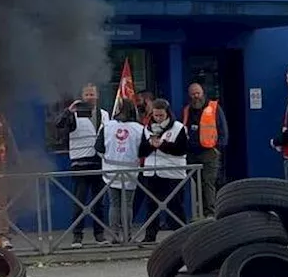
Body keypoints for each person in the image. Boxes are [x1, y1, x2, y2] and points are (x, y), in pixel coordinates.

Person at [54, 83, 109, 247]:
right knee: (80, 202)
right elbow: (58, 124)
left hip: (99, 162)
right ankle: (77, 237)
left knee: (99, 202)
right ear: (82, 97)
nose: (90, 97)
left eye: (92, 94)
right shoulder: (74, 114)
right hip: (80, 163)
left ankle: (100, 235)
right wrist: (69, 110)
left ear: (97, 96)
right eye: (87, 95)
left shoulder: (105, 114)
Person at [138, 99, 190, 243]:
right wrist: (150, 144)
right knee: (151, 206)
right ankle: (150, 236)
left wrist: (162, 145)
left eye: (161, 115)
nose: (158, 118)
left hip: (173, 172)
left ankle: (181, 236)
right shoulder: (147, 128)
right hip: (152, 172)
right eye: (155, 115)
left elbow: (182, 150)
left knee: (176, 205)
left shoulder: (179, 128)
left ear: (167, 113)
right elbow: (141, 151)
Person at [95, 102, 144, 243]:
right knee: (127, 204)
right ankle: (127, 235)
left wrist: (107, 158)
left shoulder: (108, 126)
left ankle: (115, 236)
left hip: (110, 171)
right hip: (130, 171)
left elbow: (98, 147)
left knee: (114, 204)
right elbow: (144, 150)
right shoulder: (139, 129)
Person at [182, 82, 228, 218]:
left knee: (208, 182)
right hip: (191, 152)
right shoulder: (187, 110)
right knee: (195, 184)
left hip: (209, 151)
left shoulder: (214, 108)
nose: (196, 96)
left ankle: (210, 213)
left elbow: (223, 130)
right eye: (193, 94)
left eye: (198, 93)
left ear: (203, 93)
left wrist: (218, 148)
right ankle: (198, 213)